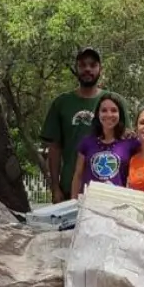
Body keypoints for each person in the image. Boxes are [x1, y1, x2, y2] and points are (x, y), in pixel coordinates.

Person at [41, 47, 109, 202]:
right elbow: (54, 148)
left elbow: (128, 141)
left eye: (92, 65)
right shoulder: (61, 103)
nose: (87, 69)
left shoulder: (112, 103)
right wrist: (55, 188)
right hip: (69, 187)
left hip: (105, 189)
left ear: (100, 69)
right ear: (76, 69)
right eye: (82, 65)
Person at [71, 93, 140, 199]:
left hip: (118, 203)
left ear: (120, 114)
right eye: (104, 110)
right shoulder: (87, 142)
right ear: (98, 114)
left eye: (114, 110)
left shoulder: (130, 142)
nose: (109, 114)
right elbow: (78, 175)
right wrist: (73, 201)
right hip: (90, 204)